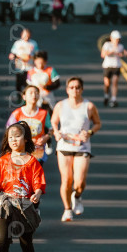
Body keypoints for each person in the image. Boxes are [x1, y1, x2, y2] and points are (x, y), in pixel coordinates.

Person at [0, 121, 46, 252]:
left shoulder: (32, 162)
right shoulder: (2, 162)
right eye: (10, 137)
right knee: (2, 241)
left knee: (25, 242)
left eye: (17, 136)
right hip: (5, 203)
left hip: (25, 205)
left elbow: (38, 184)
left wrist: (37, 194)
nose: (14, 140)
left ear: (25, 139)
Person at [51, 77, 101, 222]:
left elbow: (97, 123)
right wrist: (56, 132)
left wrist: (89, 132)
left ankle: (77, 196)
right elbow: (53, 121)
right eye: (71, 87)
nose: (75, 90)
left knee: (79, 182)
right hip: (64, 145)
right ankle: (67, 209)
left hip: (82, 146)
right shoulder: (60, 105)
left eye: (77, 87)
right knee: (66, 179)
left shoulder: (89, 106)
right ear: (67, 90)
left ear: (82, 89)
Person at [5, 85, 52, 166]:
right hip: (20, 152)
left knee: (35, 173)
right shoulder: (17, 113)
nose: (34, 95)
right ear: (24, 97)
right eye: (30, 93)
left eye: (36, 93)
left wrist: (46, 137)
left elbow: (51, 129)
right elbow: (9, 131)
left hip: (37, 152)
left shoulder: (44, 113)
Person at [101, 30, 127, 108]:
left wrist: (125, 54)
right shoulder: (107, 45)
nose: (117, 41)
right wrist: (113, 51)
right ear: (111, 38)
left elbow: (124, 53)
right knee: (107, 83)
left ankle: (113, 99)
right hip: (107, 66)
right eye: (116, 39)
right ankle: (106, 95)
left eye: (118, 39)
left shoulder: (121, 46)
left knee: (115, 82)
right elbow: (103, 55)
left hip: (116, 66)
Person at [8, 28, 38, 94]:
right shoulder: (17, 43)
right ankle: (18, 96)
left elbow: (37, 55)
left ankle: (27, 96)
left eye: (28, 36)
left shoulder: (33, 43)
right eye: (25, 36)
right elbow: (12, 54)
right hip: (19, 67)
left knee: (28, 84)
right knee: (19, 83)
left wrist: (30, 57)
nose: (26, 38)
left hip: (30, 67)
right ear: (21, 35)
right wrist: (14, 56)